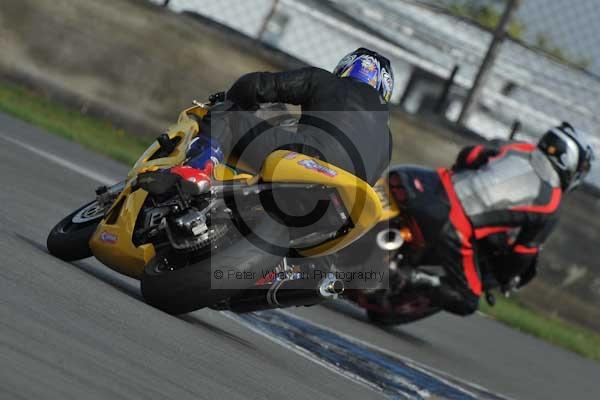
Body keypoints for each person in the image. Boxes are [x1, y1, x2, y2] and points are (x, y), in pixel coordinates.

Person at [387, 122, 594, 315]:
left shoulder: (518, 147)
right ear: (571, 161)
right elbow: (522, 254)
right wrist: (505, 276)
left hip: (431, 182)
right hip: (455, 224)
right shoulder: (551, 204)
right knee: (467, 300)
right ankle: (404, 277)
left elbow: (468, 155)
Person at [170, 48, 394, 189]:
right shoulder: (387, 140)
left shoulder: (325, 81)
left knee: (226, 115)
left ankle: (197, 171)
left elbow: (255, 86)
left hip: (310, 160)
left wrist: (235, 102)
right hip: (346, 201)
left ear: (345, 68)